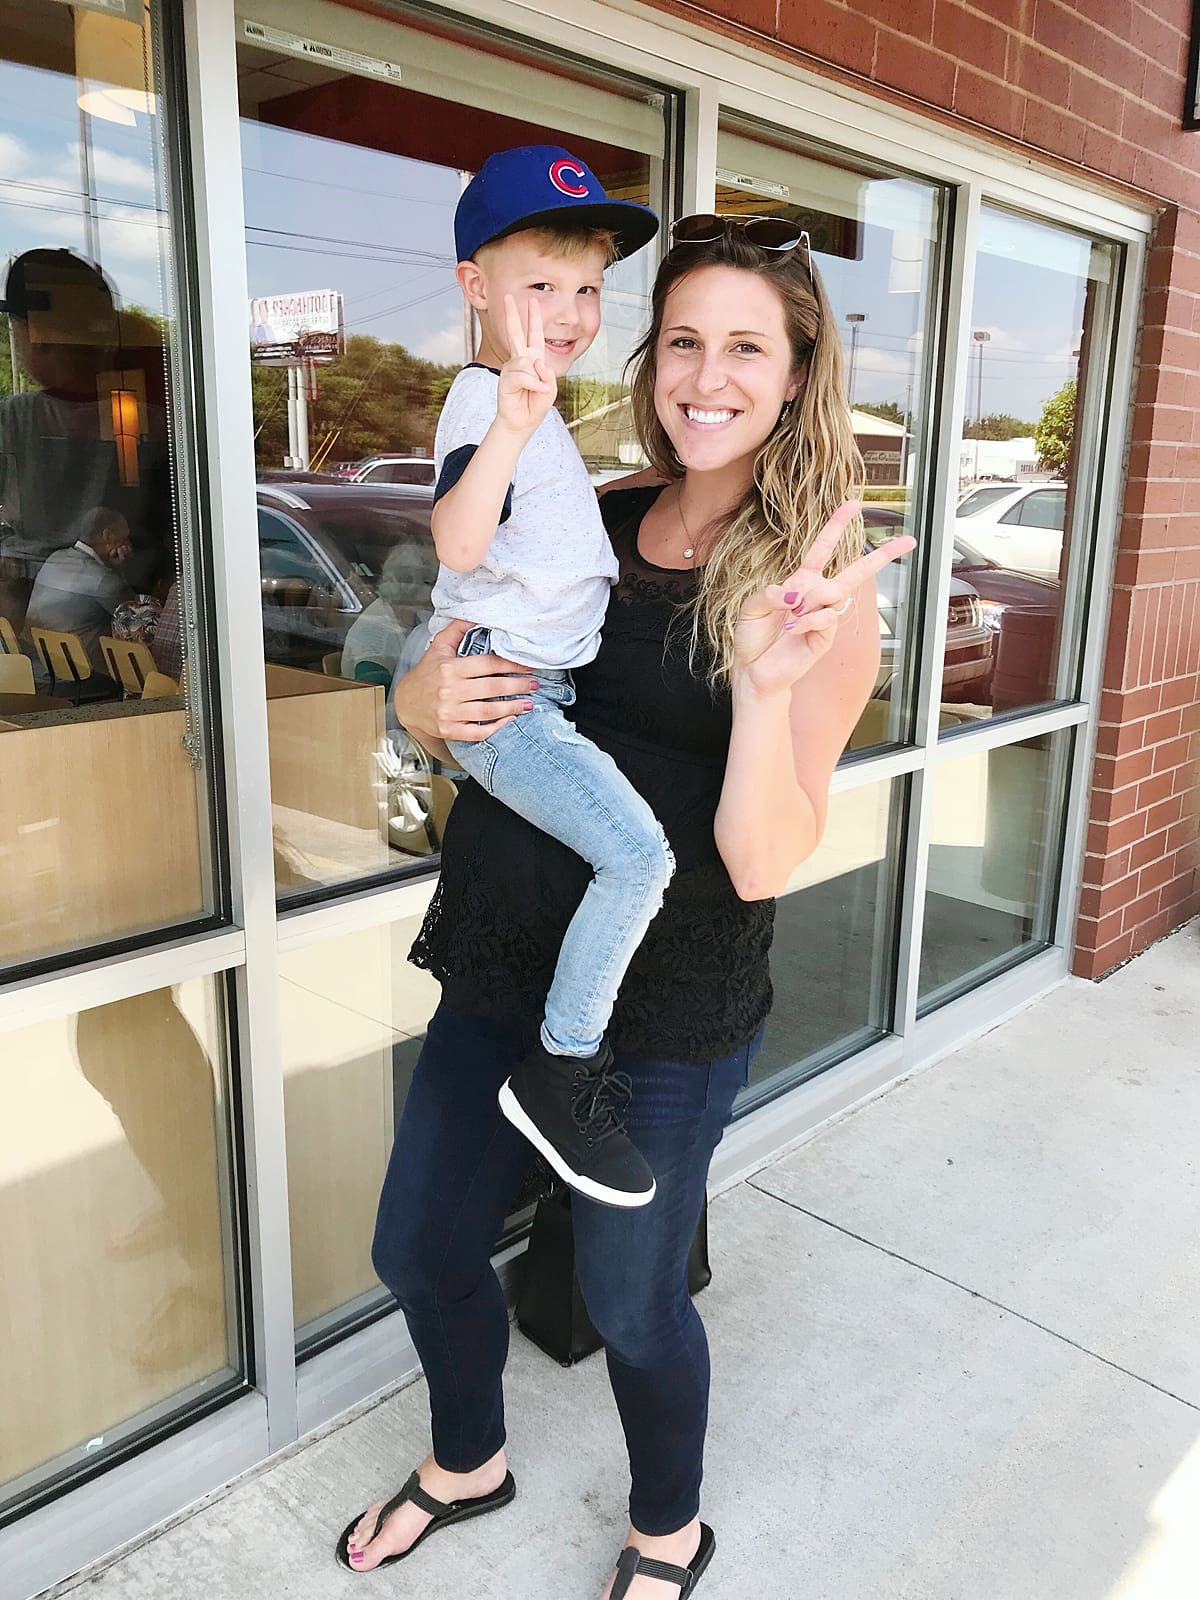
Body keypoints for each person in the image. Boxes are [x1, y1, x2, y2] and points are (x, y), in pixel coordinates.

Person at [339, 214, 914, 1596]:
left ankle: (670, 1531)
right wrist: (416, 701)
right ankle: (467, 1461)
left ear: (795, 373)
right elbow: (466, 668)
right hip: (504, 967)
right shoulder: (583, 514)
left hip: (660, 1012)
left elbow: (766, 859)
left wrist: (768, 697)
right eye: (685, 341)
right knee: (418, 1245)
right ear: (654, 360)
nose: (706, 376)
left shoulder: (810, 593)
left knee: (632, 1302)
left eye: (747, 348)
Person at [425, 145, 671, 1209]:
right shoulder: (491, 404)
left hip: (530, 687)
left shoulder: (527, 402)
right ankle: (563, 1065)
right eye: (540, 285)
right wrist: (518, 420)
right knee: (637, 857)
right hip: (508, 691)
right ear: (475, 287)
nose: (570, 311)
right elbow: (459, 538)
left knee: (611, 857)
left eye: (589, 288)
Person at [24, 506, 132, 681]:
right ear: (108, 536)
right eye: (126, 538)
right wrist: (122, 569)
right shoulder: (102, 578)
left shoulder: (55, 558)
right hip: (80, 678)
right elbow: (138, 621)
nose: (129, 545)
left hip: (36, 671)